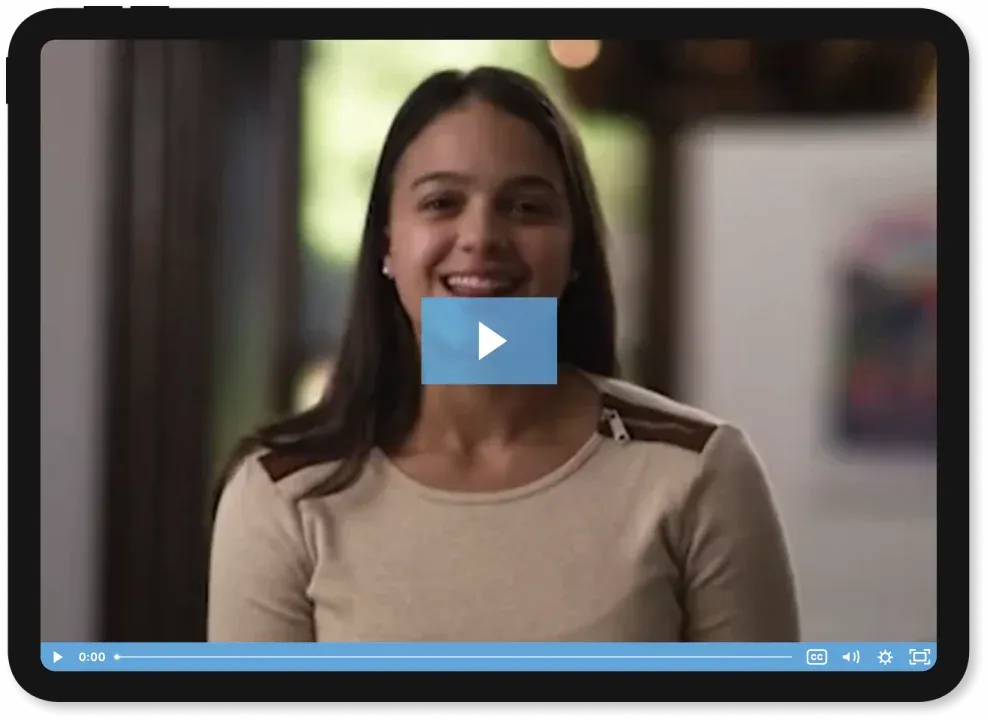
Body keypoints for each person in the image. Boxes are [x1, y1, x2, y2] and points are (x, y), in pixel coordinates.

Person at [207, 66, 800, 643]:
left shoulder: (696, 473)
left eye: (526, 207)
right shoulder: (281, 495)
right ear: (387, 244)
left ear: (574, 252)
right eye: (442, 203)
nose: (482, 237)